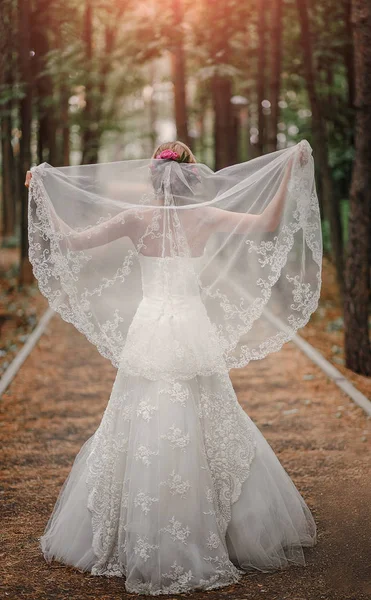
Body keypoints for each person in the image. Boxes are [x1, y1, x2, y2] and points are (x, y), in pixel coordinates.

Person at [25, 139, 322, 595]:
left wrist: (41, 192)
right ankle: (224, 528)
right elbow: (269, 222)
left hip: (150, 326)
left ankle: (141, 530)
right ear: (192, 178)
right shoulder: (204, 216)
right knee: (208, 413)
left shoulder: (133, 219)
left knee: (140, 412)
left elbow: (69, 240)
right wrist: (287, 171)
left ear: (152, 178)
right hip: (190, 325)